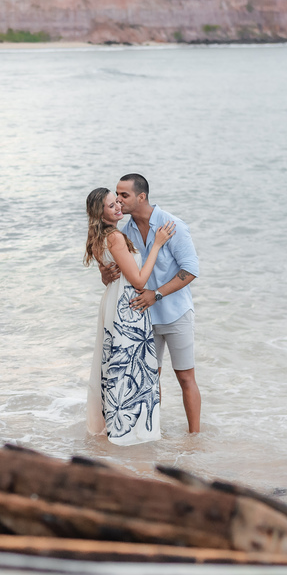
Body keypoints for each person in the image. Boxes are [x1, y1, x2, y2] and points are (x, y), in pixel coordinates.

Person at [102, 174, 202, 434]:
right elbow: (121, 274)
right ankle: (152, 434)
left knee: (185, 377)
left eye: (124, 195)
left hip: (176, 313)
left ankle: (195, 439)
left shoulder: (172, 226)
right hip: (143, 317)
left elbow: (191, 270)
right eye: (116, 195)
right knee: (148, 380)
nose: (118, 200)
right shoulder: (124, 232)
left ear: (142, 196)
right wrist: (106, 274)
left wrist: (155, 294)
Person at [84, 187, 175, 445]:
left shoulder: (97, 236)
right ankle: (130, 432)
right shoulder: (115, 237)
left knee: (117, 364)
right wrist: (157, 244)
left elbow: (108, 275)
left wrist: (106, 276)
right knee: (133, 366)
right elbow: (139, 280)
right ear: (100, 212)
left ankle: (116, 426)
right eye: (111, 205)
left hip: (113, 304)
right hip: (129, 307)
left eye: (117, 202)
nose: (118, 207)